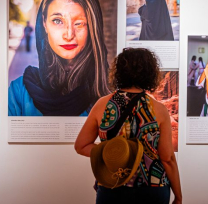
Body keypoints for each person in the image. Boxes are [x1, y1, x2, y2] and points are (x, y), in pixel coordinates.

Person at [75, 48, 182, 204]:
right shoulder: (158, 109)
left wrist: (113, 152)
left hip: (112, 185)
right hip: (152, 187)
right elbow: (167, 158)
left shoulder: (102, 105)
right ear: (150, 73)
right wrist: (178, 196)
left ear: (119, 72)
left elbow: (81, 146)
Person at [8, 0, 110, 116]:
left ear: (92, 27)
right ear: (44, 23)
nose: (69, 35)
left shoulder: (112, 93)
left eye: (79, 23)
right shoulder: (18, 92)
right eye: (57, 21)